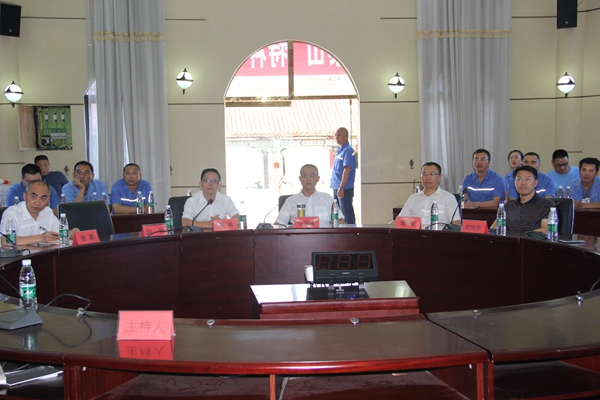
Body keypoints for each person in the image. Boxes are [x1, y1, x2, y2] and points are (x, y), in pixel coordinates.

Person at [1, 181, 77, 248]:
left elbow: (59, 233)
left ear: (48, 200)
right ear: (25, 196)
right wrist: (40, 238)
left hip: (42, 255)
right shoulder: (12, 213)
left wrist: (71, 233)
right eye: (33, 197)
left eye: (43, 198)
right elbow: (5, 241)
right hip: (19, 258)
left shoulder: (47, 211)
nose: (37, 203)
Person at [276, 164, 345, 227]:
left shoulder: (327, 198)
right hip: (298, 236)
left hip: (323, 236)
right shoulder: (290, 201)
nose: (308, 179)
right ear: (300, 179)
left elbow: (341, 220)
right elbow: (279, 224)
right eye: (304, 176)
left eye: (312, 176)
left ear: (318, 178)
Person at [399, 162, 460, 228]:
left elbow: (456, 222)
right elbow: (400, 221)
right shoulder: (413, 198)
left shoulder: (449, 198)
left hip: (439, 233)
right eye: (424, 174)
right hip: (416, 234)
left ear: (440, 177)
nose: (427, 178)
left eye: (431, 174)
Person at [504, 166, 553, 233]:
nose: (523, 183)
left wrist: (522, 236)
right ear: (514, 183)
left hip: (533, 240)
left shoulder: (547, 205)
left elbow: (545, 230)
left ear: (535, 183)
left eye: (527, 179)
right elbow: (495, 227)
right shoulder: (509, 205)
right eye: (519, 179)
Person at [330, 127, 356, 224]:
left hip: (344, 188)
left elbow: (347, 169)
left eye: (339, 135)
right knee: (337, 214)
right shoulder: (340, 150)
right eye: (335, 135)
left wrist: (341, 187)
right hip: (336, 187)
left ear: (345, 136)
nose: (336, 137)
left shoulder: (348, 150)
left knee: (346, 215)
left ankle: (351, 232)